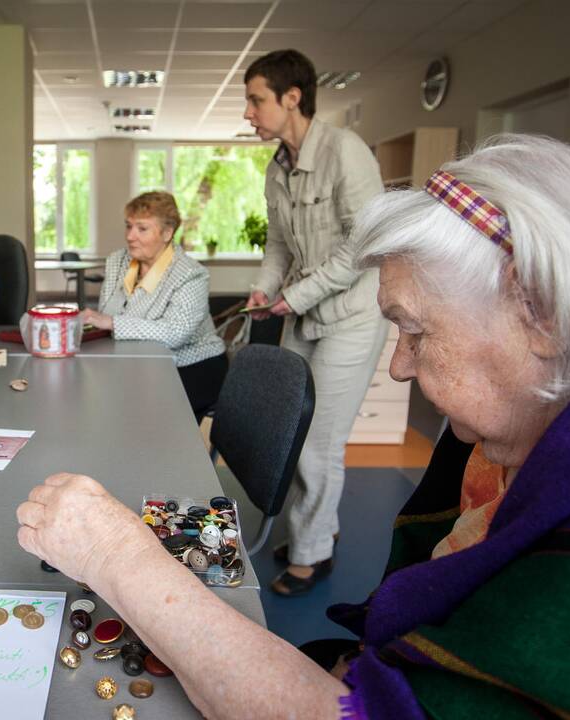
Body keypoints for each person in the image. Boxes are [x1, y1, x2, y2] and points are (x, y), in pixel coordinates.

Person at [16, 135, 570, 718]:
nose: (398, 365)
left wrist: (114, 554)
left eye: (416, 331)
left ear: (537, 306)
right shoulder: (498, 445)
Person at [242, 49, 389, 595]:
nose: (249, 112)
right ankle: (316, 533)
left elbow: (364, 245)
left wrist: (295, 295)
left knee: (320, 443)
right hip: (303, 314)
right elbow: (277, 244)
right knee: (295, 429)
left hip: (351, 316)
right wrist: (265, 285)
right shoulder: (274, 167)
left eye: (257, 100)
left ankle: (311, 554)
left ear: (292, 97)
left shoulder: (345, 151)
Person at [80, 191, 226, 419]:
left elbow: (174, 333)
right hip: (139, 362)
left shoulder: (191, 274)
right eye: (128, 226)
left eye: (142, 228)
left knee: (136, 414)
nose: (130, 236)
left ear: (167, 233)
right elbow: (107, 317)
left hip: (191, 367)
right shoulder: (117, 260)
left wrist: (112, 322)